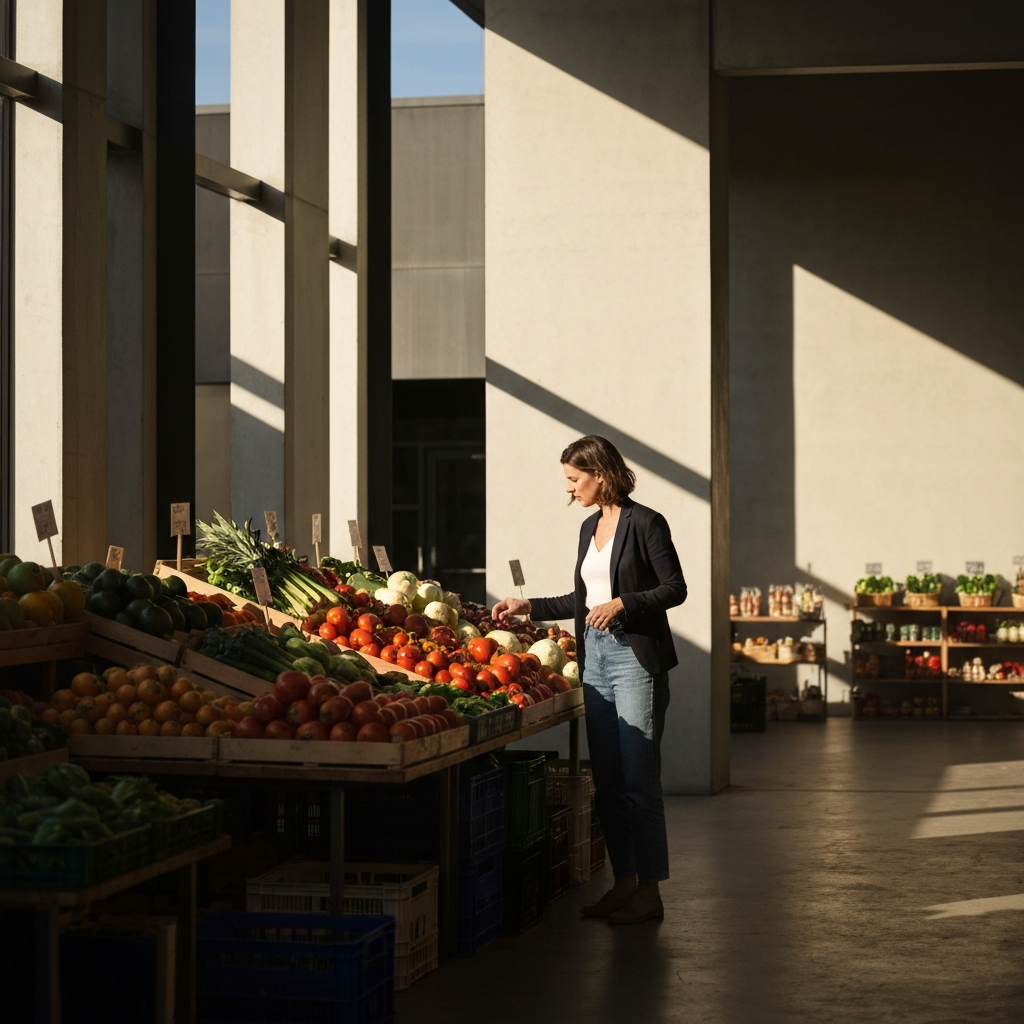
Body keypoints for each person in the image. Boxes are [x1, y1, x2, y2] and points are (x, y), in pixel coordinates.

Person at [493, 435, 686, 925]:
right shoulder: (587, 528)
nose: (570, 490)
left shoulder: (646, 522)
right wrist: (529, 606)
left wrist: (625, 603)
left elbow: (674, 588)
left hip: (635, 658)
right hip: (594, 659)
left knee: (639, 779)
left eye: (574, 480)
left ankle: (650, 890)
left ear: (600, 474)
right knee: (609, 780)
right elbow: (581, 601)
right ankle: (623, 883)